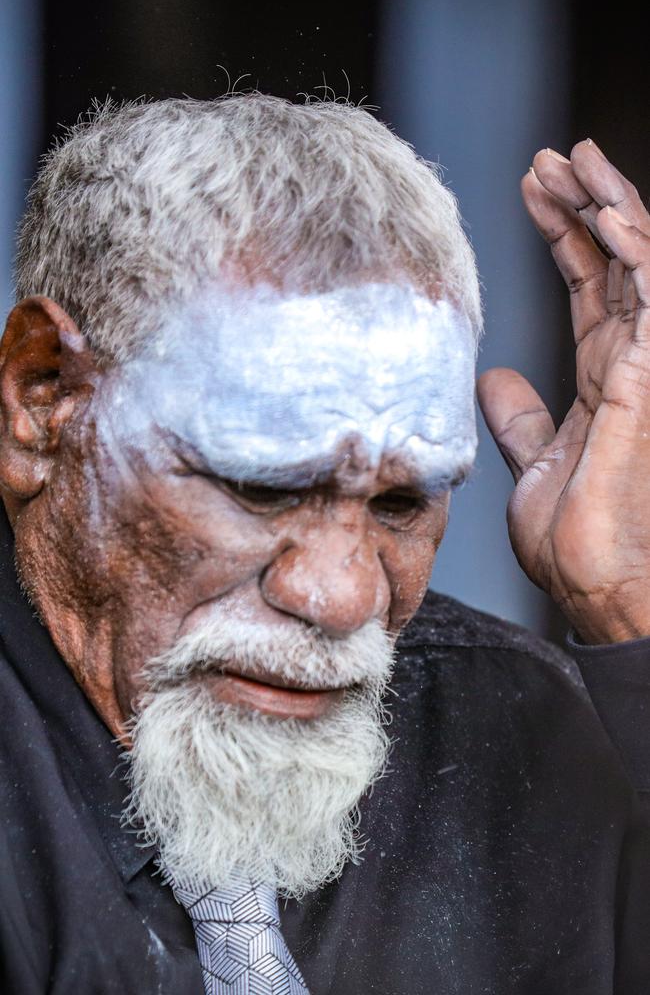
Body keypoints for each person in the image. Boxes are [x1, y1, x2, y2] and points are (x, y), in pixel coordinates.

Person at [0, 95, 648, 995]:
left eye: (399, 503)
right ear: (43, 401)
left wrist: (627, 603)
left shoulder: (525, 731)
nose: (344, 599)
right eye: (262, 487)